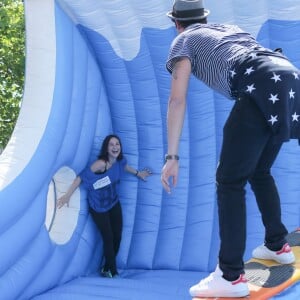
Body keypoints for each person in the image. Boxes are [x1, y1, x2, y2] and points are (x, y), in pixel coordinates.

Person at [161, 0, 300, 298]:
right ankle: (278, 245)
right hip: (288, 78)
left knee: (229, 182)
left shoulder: (183, 40)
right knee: (259, 171)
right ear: (205, 18)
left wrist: (171, 157)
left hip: (259, 82)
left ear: (176, 23)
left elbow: (176, 99)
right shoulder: (229, 29)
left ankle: (230, 275)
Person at [57, 134, 152, 278]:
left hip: (113, 203)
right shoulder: (101, 164)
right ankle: (113, 272)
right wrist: (67, 195)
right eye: (111, 145)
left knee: (117, 236)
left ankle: (106, 268)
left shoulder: (120, 162)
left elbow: (125, 167)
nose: (115, 147)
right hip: (98, 207)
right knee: (108, 237)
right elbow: (81, 177)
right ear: (106, 149)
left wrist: (139, 173)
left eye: (117, 144)